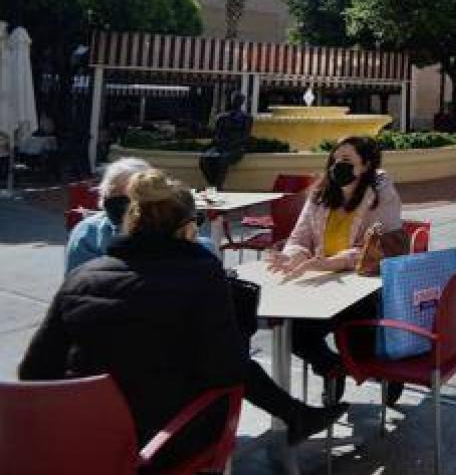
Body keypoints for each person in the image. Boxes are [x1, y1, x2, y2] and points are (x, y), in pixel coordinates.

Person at [23, 171, 344, 467]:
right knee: (235, 365)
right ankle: (296, 417)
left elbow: (34, 370)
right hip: (163, 442)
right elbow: (225, 368)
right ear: (188, 228)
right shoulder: (203, 276)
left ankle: (297, 416)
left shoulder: (81, 277)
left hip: (78, 440)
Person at [266, 136, 402, 399]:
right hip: (323, 284)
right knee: (293, 334)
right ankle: (331, 367)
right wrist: (293, 256)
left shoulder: (381, 195)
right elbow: (299, 236)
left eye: (347, 161)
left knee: (360, 354)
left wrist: (330, 262)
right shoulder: (320, 194)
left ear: (365, 165)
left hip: (363, 288)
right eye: (335, 159)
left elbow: (372, 248)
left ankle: (388, 374)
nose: (338, 165)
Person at [65, 157, 150, 273]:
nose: (123, 200)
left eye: (132, 193)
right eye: (114, 192)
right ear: (104, 193)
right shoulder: (89, 232)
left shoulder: (167, 229)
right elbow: (77, 282)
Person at [198, 92, 252, 189]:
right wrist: (217, 143)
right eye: (235, 99)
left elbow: (245, 136)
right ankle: (213, 183)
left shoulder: (247, 118)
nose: (236, 102)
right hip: (220, 146)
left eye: (239, 100)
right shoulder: (222, 117)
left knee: (223, 159)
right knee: (204, 159)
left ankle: (218, 186)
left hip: (236, 148)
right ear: (231, 101)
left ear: (242, 102)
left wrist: (230, 144)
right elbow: (217, 134)